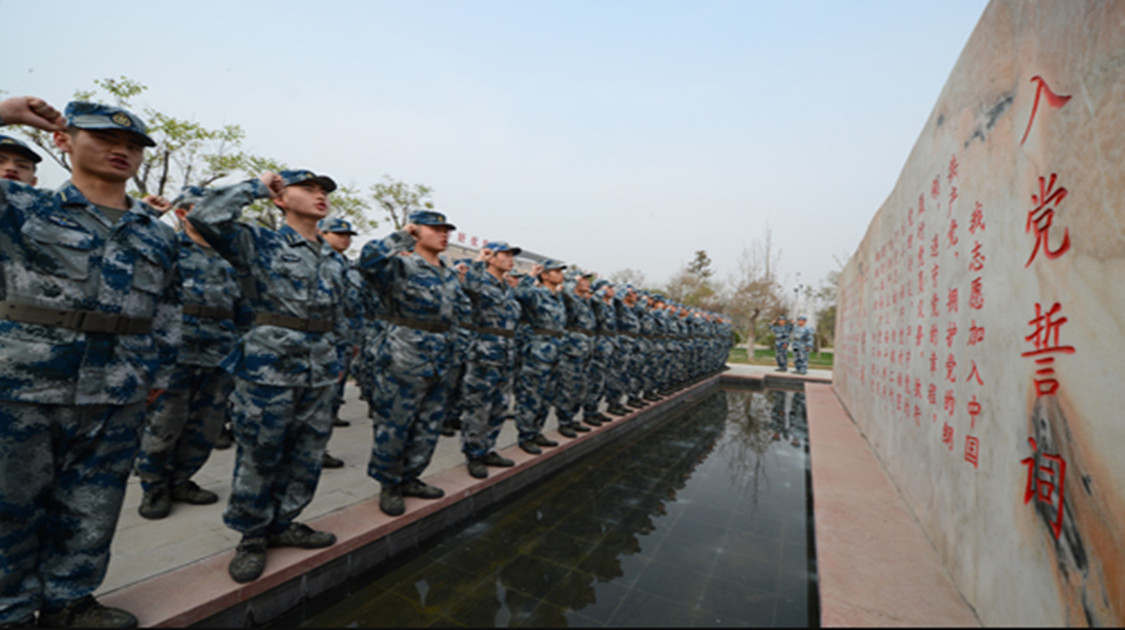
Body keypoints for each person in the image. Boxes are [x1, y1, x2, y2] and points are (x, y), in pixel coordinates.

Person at [0, 97, 180, 628]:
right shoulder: (20, 207)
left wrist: (156, 375)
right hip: (25, 385)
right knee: (10, 508)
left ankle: (69, 603)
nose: (120, 150)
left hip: (118, 389)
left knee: (94, 507)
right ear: (64, 141)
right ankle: (8, 612)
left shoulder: (156, 233)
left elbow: (168, 310)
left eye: (131, 145)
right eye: (104, 138)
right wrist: (4, 113)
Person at [189, 169, 348, 583]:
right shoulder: (259, 242)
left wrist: (343, 356)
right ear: (281, 199)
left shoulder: (334, 257)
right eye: (308, 189)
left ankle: (285, 521)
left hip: (321, 367)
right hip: (269, 367)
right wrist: (255, 188)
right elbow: (205, 216)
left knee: (307, 452)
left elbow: (344, 313)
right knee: (261, 451)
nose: (319, 196)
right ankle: (252, 534)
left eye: (323, 191)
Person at [134, 187, 251, 520]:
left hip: (220, 351)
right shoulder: (167, 246)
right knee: (164, 424)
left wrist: (242, 347)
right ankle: (154, 486)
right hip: (175, 351)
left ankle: (182, 479)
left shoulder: (231, 256)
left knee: (207, 427)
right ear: (183, 214)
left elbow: (243, 306)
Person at [358, 210, 463, 516]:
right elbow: (367, 261)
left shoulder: (449, 272)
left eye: (447, 229)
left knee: (429, 424)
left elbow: (455, 315)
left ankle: (411, 477)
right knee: (396, 423)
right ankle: (388, 483)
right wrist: (401, 236)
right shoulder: (400, 265)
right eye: (436, 229)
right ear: (416, 231)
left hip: (442, 356)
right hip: (405, 354)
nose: (444, 234)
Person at [457, 242, 522, 478]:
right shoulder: (480, 280)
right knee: (478, 407)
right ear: (491, 258)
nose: (510, 259)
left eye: (511, 255)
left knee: (499, 406)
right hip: (484, 352)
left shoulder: (507, 287)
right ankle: (474, 454)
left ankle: (489, 448)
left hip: (506, 353)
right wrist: (477, 261)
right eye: (505, 255)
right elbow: (470, 288)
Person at [316, 216, 365, 470]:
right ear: (323, 234)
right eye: (339, 233)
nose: (345, 238)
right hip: (317, 340)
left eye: (348, 235)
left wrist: (355, 339)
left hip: (342, 339)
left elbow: (353, 306)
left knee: (331, 397)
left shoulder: (346, 265)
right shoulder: (316, 258)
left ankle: (318, 449)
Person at [513, 260, 567, 454]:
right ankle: (525, 435)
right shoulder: (536, 294)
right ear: (545, 275)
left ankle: (537, 431)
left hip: (555, 350)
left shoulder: (557, 297)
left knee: (546, 396)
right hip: (538, 351)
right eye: (556, 271)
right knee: (532, 394)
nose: (561, 274)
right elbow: (519, 294)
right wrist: (530, 275)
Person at [554, 269, 597, 437]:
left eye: (588, 280)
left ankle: (572, 418)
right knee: (569, 386)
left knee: (581, 386)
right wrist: (573, 279)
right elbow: (564, 289)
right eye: (584, 280)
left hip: (585, 347)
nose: (588, 283)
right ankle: (564, 421)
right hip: (572, 348)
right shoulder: (569, 298)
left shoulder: (584, 301)